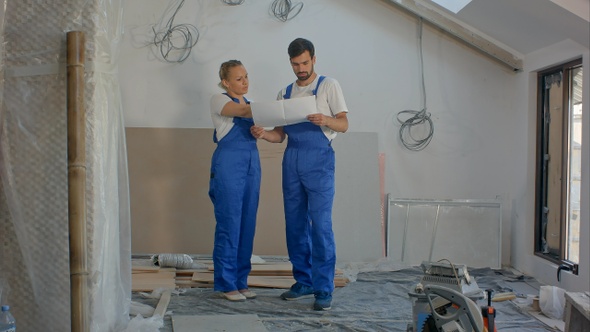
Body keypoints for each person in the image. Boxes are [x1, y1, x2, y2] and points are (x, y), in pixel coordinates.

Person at [251, 38, 349, 311]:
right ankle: (303, 281)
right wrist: (263, 134)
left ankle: (323, 288)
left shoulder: (328, 85)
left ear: (314, 59)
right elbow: (280, 135)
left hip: (319, 161)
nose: (301, 68)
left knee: (320, 225)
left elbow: (344, 124)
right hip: (291, 160)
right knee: (294, 224)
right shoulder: (284, 92)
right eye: (295, 64)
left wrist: (325, 119)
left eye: (305, 63)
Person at [209, 60, 260, 302]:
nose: (245, 82)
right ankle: (226, 283)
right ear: (226, 82)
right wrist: (276, 108)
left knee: (247, 225)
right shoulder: (219, 100)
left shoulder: (252, 105)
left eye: (246, 76)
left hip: (251, 166)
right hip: (229, 166)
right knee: (230, 224)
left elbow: (260, 122)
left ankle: (241, 281)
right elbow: (240, 112)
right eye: (239, 79)